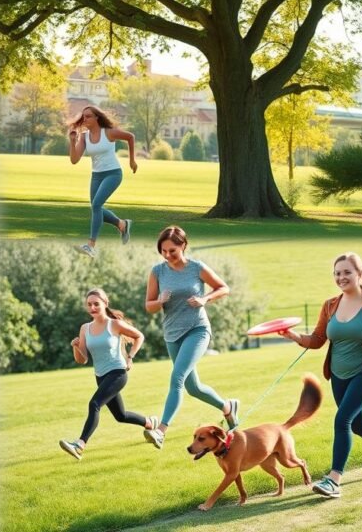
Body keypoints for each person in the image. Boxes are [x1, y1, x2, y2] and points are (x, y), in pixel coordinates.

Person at [280, 252, 362, 498]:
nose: (341, 277)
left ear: (359, 274)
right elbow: (317, 340)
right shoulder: (330, 306)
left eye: (347, 272)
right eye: (337, 273)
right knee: (357, 424)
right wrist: (295, 336)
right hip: (339, 374)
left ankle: (333, 479)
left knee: (342, 420)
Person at [142, 226, 239, 449]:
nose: (167, 255)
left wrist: (205, 299)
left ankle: (161, 431)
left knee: (176, 378)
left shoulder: (196, 268)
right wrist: (160, 301)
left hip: (197, 330)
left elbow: (223, 288)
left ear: (183, 246)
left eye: (172, 251)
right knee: (192, 388)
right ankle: (227, 408)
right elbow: (149, 306)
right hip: (172, 335)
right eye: (163, 251)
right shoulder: (157, 272)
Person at [59, 289, 160, 460]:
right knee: (120, 416)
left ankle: (80, 445)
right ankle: (150, 423)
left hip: (117, 373)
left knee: (94, 404)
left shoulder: (114, 324)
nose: (92, 307)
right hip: (100, 376)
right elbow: (82, 360)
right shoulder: (85, 328)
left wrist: (130, 357)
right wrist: (76, 347)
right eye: (89, 304)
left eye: (96, 304)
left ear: (105, 303)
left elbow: (139, 336)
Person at [67, 106, 137, 258]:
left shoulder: (109, 132)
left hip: (113, 173)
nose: (84, 119)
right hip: (96, 176)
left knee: (96, 205)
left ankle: (91, 246)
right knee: (96, 208)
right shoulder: (85, 137)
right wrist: (72, 142)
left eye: (88, 116)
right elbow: (74, 160)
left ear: (97, 118)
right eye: (83, 117)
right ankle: (122, 224)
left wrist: (132, 160)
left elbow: (130, 137)